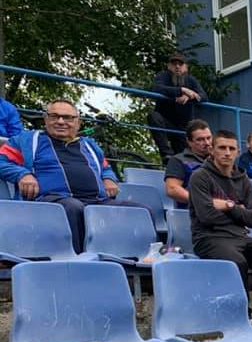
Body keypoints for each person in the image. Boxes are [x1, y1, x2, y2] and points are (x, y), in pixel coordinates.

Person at [0, 99, 145, 253]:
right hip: (50, 201)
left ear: (78, 123)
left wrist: (109, 179)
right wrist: (22, 174)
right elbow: (2, 160)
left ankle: (138, 260)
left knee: (141, 211)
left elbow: (105, 168)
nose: (60, 121)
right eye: (54, 116)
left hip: (97, 201)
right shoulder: (27, 141)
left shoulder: (89, 145)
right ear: (46, 119)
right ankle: (78, 258)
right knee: (73, 207)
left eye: (67, 117)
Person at [188, 130, 252, 291]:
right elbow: (207, 216)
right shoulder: (200, 177)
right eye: (222, 148)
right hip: (209, 238)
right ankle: (241, 307)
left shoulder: (244, 180)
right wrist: (240, 212)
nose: (227, 153)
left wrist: (229, 206)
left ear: (238, 152)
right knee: (236, 263)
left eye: (231, 149)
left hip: (241, 238)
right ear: (212, 150)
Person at [149, 51, 207, 163]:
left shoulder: (191, 80)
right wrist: (181, 90)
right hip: (166, 124)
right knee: (153, 116)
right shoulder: (163, 76)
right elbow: (157, 89)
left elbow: (204, 96)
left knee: (184, 160)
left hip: (184, 128)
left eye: (180, 64)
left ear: (186, 67)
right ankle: (166, 154)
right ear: (169, 66)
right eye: (174, 64)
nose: (177, 66)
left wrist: (189, 96)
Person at [164, 118, 212, 209]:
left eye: (209, 138)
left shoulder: (219, 160)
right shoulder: (178, 160)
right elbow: (172, 189)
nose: (207, 143)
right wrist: (202, 202)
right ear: (189, 142)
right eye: (200, 139)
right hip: (191, 211)